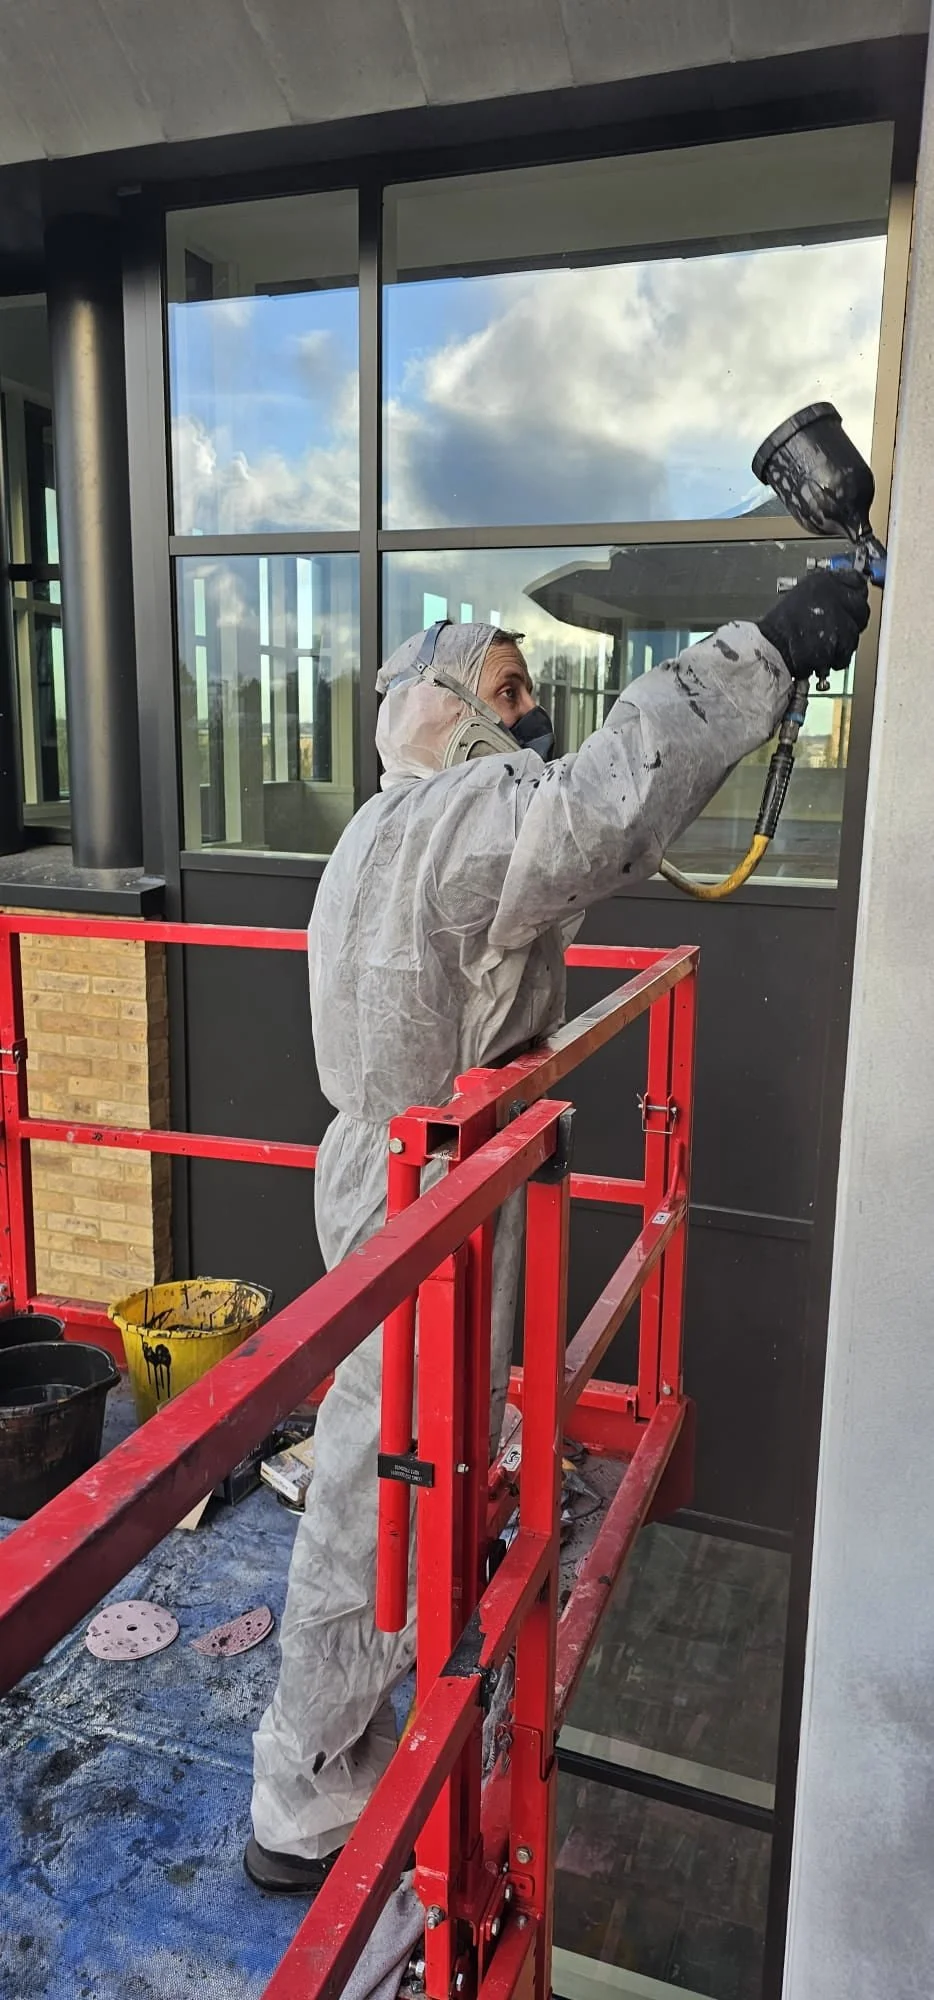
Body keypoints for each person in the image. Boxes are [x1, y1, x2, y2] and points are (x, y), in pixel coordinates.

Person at [247, 569, 868, 1893]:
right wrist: (759, 650)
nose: (530, 723)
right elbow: (611, 800)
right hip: (432, 1181)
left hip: (381, 1163)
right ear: (447, 709)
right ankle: (306, 1791)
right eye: (510, 695)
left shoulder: (379, 824)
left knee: (414, 1429)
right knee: (371, 1468)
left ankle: (371, 1690)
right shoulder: (472, 813)